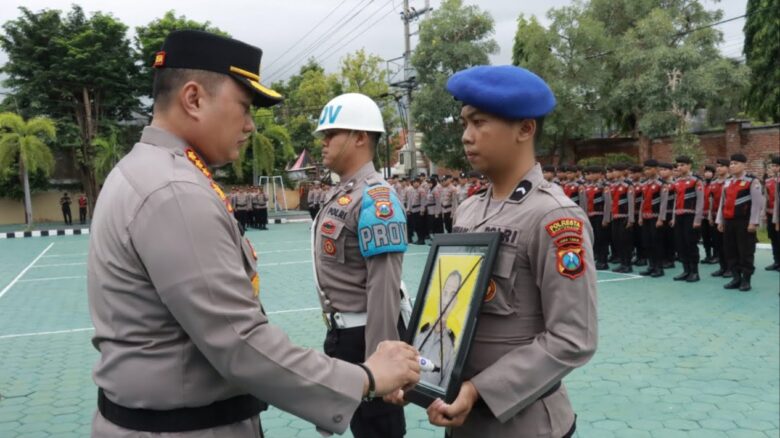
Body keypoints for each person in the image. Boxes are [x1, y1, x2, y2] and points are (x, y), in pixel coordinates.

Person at [87, 30, 420, 437]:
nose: (249, 126)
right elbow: (240, 343)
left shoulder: (147, 172)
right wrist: (366, 378)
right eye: (244, 108)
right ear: (193, 99)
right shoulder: (174, 191)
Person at [408, 65, 597, 438]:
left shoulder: (553, 217)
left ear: (525, 129)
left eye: (479, 123)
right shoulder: (470, 209)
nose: (466, 136)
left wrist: (479, 390)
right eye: (464, 123)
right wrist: (419, 369)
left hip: (524, 425)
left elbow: (574, 338)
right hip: (462, 419)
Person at [312, 92, 411, 438]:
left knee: (378, 431)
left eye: (331, 135)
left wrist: (382, 362)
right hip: (342, 335)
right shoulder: (344, 193)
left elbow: (384, 289)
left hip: (367, 336)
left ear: (359, 137)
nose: (323, 143)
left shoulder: (375, 198)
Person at [716, 153, 764, 291]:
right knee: (730, 250)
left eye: (736, 163)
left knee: (745, 251)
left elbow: (757, 204)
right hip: (729, 222)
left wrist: (753, 222)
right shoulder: (728, 181)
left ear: (744, 165)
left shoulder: (752, 181)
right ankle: (736, 277)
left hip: (744, 222)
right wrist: (720, 220)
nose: (732, 166)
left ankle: (746, 279)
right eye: (731, 163)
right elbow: (722, 203)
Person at [414, 270, 462, 389]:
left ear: (455, 302)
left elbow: (443, 393)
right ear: (439, 296)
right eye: (445, 293)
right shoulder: (417, 331)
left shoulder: (452, 350)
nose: (446, 301)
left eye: (452, 295)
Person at [671, 156, 704, 282]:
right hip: (679, 216)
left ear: (689, 165)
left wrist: (697, 219)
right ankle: (686, 270)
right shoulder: (677, 181)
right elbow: (676, 200)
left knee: (691, 244)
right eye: (678, 165)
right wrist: (674, 217)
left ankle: (694, 272)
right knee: (680, 244)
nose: (679, 167)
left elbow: (700, 201)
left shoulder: (696, 181)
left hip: (691, 216)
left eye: (682, 165)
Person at [637, 160, 667, 277]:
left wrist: (661, 218)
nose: (647, 171)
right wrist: (640, 216)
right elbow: (643, 201)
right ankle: (651, 266)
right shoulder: (644, 184)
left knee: (656, 243)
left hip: (655, 217)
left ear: (656, 169)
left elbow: (663, 202)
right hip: (645, 217)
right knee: (647, 242)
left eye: (649, 169)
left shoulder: (661, 184)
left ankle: (659, 267)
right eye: (645, 169)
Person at [579, 166, 610, 270]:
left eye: (593, 173)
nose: (590, 176)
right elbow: (584, 203)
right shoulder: (587, 186)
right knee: (593, 239)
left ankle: (603, 261)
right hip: (590, 216)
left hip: (600, 215)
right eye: (589, 173)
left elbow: (607, 203)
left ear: (600, 174)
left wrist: (606, 218)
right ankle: (595, 258)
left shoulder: (604, 186)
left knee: (602, 239)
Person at [609, 163, 635, 273]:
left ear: (622, 172)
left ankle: (627, 264)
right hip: (615, 216)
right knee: (617, 240)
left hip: (624, 216)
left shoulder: (627, 185)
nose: (614, 173)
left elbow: (631, 203)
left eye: (616, 170)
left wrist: (630, 218)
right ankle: (622, 263)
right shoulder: (613, 185)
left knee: (625, 241)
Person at [709, 159, 730, 277]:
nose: (718, 169)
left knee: (728, 244)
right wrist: (709, 216)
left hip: (727, 216)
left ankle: (730, 268)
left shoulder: (730, 181)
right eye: (717, 167)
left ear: (727, 168)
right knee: (718, 243)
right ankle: (722, 267)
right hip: (715, 216)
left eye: (721, 166)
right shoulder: (714, 183)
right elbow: (711, 199)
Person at [658, 162, 677, 268]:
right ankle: (663, 258)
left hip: (670, 213)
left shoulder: (675, 184)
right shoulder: (659, 183)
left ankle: (670, 259)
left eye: (665, 170)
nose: (662, 172)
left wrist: (674, 217)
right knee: (661, 237)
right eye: (661, 170)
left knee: (670, 237)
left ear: (670, 171)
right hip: (660, 213)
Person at [764, 156, 780, 271]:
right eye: (773, 166)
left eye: (777, 166)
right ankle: (776, 261)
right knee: (773, 237)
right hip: (770, 213)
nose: (774, 168)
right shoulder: (768, 181)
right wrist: (764, 213)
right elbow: (765, 197)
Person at [700, 165, 716, 264]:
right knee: (705, 236)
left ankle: (716, 255)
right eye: (706, 172)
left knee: (714, 236)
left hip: (712, 214)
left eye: (709, 172)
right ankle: (708, 255)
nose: (707, 173)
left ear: (713, 174)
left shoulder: (714, 184)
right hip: (702, 214)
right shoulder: (701, 184)